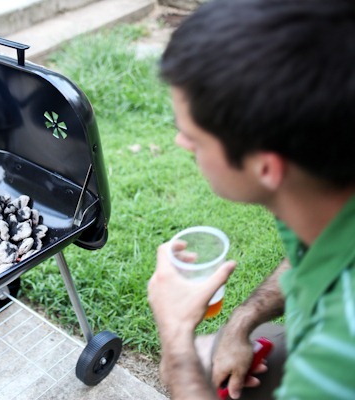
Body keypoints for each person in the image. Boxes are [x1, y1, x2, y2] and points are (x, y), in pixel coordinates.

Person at [146, 0, 355, 399]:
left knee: (191, 362)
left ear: (266, 167)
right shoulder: (316, 191)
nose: (181, 142)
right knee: (210, 352)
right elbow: (307, 258)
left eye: (194, 137)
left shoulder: (342, 342)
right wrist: (241, 322)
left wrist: (175, 341)